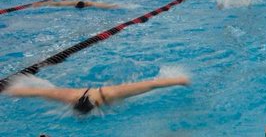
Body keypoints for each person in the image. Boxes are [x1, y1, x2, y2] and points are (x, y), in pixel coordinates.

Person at [4, 76, 189, 115]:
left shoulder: (113, 93)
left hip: (105, 91)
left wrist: (179, 80)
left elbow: (152, 84)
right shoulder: (69, 96)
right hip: (87, 95)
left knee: (136, 88)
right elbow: (35, 91)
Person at [32, 0, 118, 9]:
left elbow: (104, 6)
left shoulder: (92, 4)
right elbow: (56, 3)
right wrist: (42, 4)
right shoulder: (72, 3)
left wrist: (112, 6)